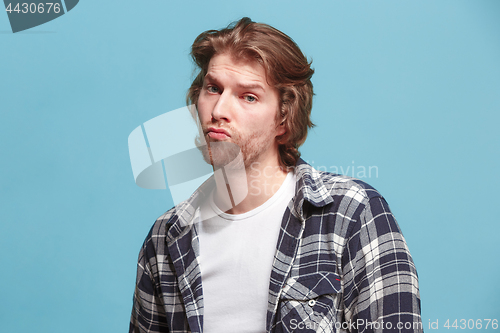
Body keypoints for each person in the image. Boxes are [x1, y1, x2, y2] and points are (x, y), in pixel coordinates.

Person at [129, 17, 422, 333]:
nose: (218, 110)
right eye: (213, 89)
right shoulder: (165, 237)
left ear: (283, 119)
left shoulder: (352, 213)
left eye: (248, 96)